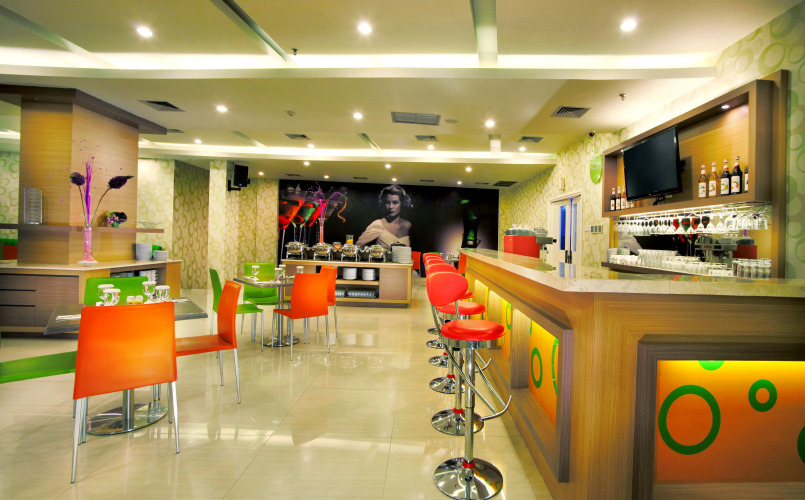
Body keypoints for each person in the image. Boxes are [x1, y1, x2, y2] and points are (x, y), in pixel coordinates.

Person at [356, 184, 412, 249]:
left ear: (401, 203)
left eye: (395, 202)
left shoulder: (407, 225)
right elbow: (358, 246)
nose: (391, 206)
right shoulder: (378, 224)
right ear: (383, 203)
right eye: (387, 202)